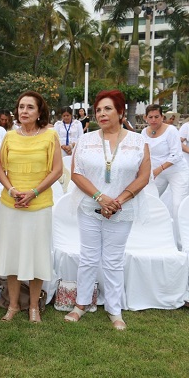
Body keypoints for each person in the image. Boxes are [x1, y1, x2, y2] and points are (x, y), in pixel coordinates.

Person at [64, 90, 151, 330]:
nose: (101, 114)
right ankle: (81, 304)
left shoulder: (138, 142)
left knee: (113, 260)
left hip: (122, 209)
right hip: (90, 206)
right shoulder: (86, 140)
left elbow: (143, 177)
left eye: (108, 109)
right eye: (98, 110)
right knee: (88, 257)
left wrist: (117, 201)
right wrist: (100, 198)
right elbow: (76, 173)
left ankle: (114, 309)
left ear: (121, 112)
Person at [0, 91, 63, 323]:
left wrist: (34, 192)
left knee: (37, 255)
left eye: (30, 107)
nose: (24, 111)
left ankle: (34, 306)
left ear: (40, 111)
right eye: (21, 106)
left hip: (39, 205)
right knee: (12, 254)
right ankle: (13, 305)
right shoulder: (9, 136)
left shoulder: (50, 136)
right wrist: (12, 190)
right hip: (11, 205)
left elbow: (57, 170)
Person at [142, 104, 189, 241]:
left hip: (176, 171)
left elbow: (177, 155)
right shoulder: (144, 132)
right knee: (148, 201)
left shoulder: (171, 130)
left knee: (177, 205)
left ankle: (182, 242)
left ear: (162, 117)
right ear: (145, 118)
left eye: (157, 116)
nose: (153, 120)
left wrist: (159, 169)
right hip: (156, 173)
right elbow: (144, 154)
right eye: (150, 117)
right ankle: (152, 236)